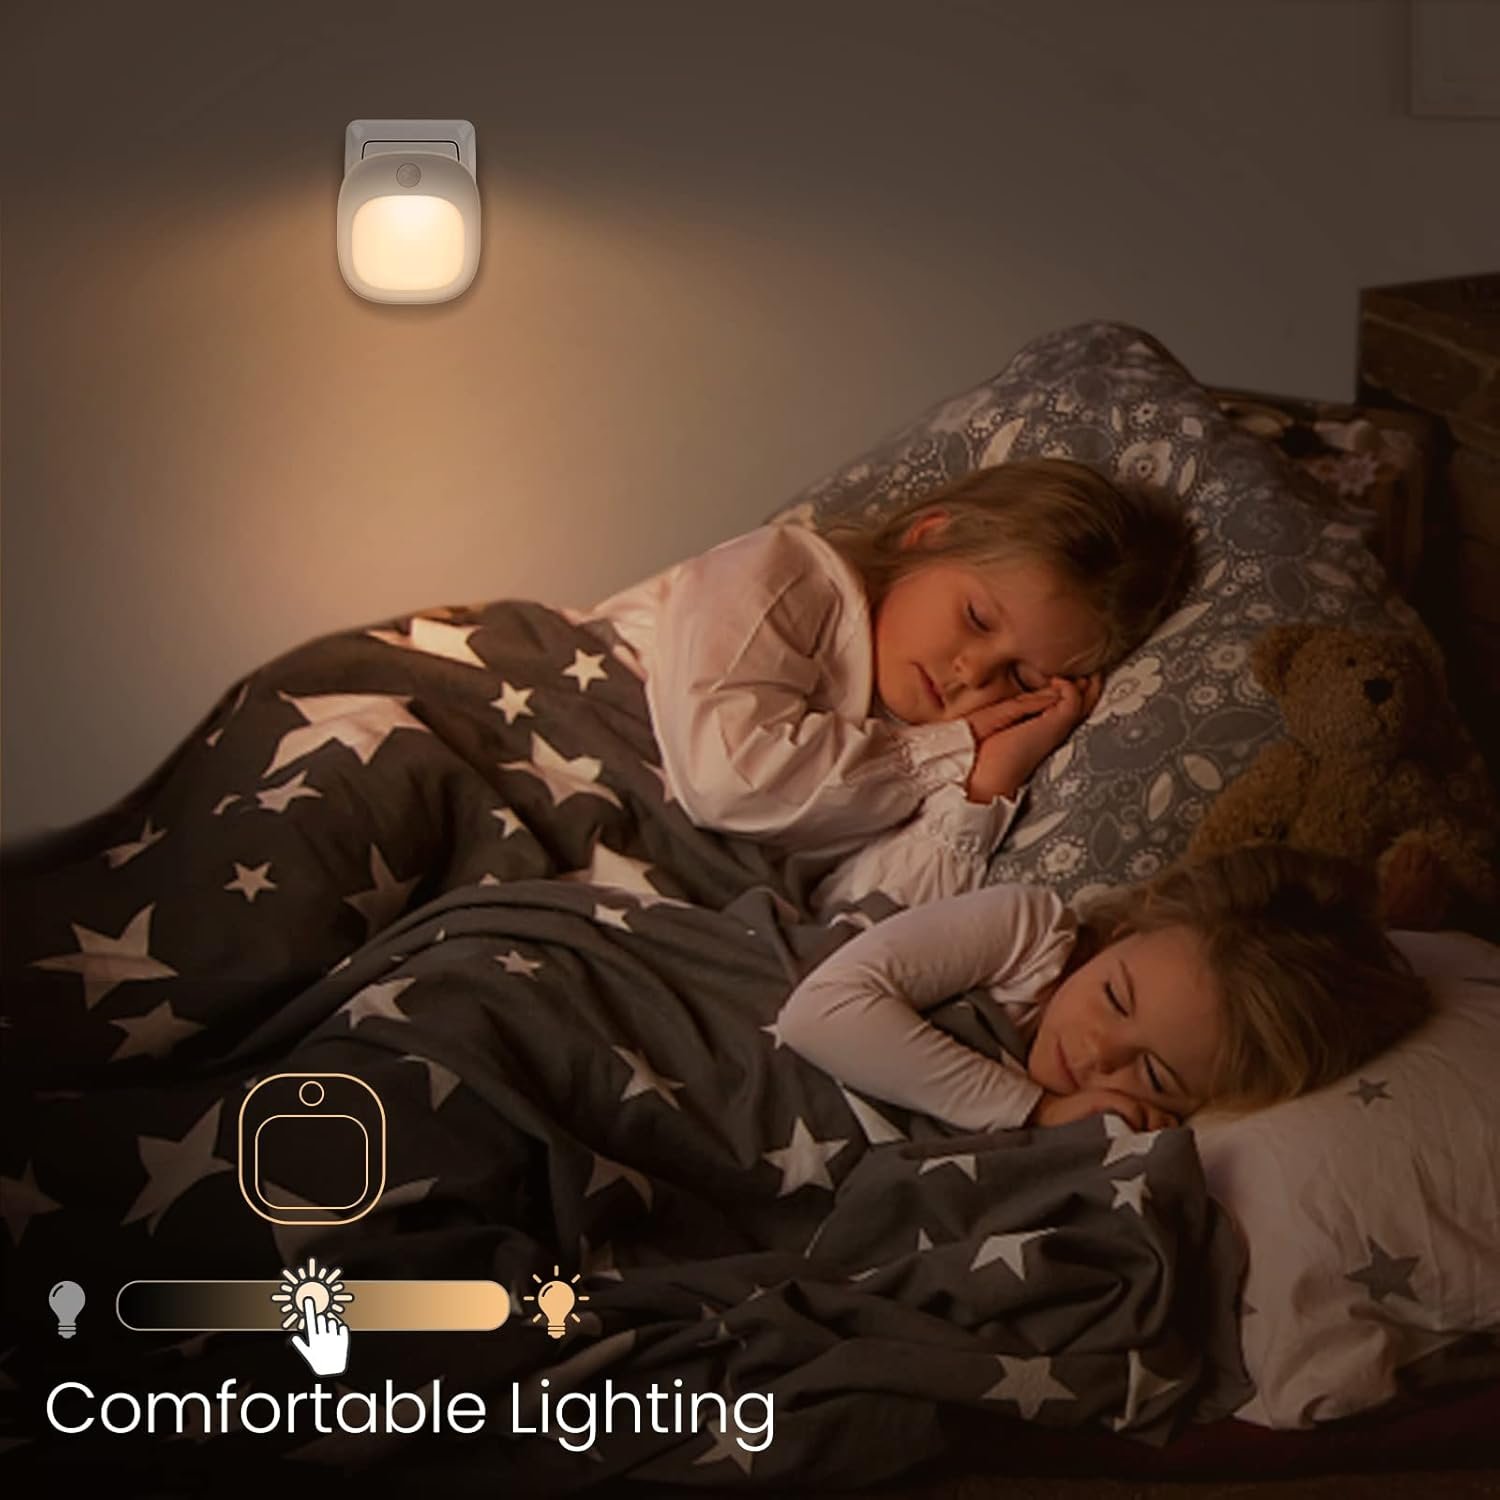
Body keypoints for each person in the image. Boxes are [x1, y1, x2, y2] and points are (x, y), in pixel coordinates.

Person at [589, 458, 1195, 916]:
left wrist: (984, 787)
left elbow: (860, 924)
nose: (973, 673)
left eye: (1020, 678)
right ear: (929, 536)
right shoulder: (788, 573)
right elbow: (728, 780)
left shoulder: (925, 764)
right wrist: (945, 751)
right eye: (977, 619)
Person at [776, 844, 1434, 1133]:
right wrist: (1034, 1109)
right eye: (1115, 997)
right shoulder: (1027, 934)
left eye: (1154, 1073)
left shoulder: (1124, 1126)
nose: (1097, 1053)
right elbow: (819, 1012)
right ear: (1123, 934)